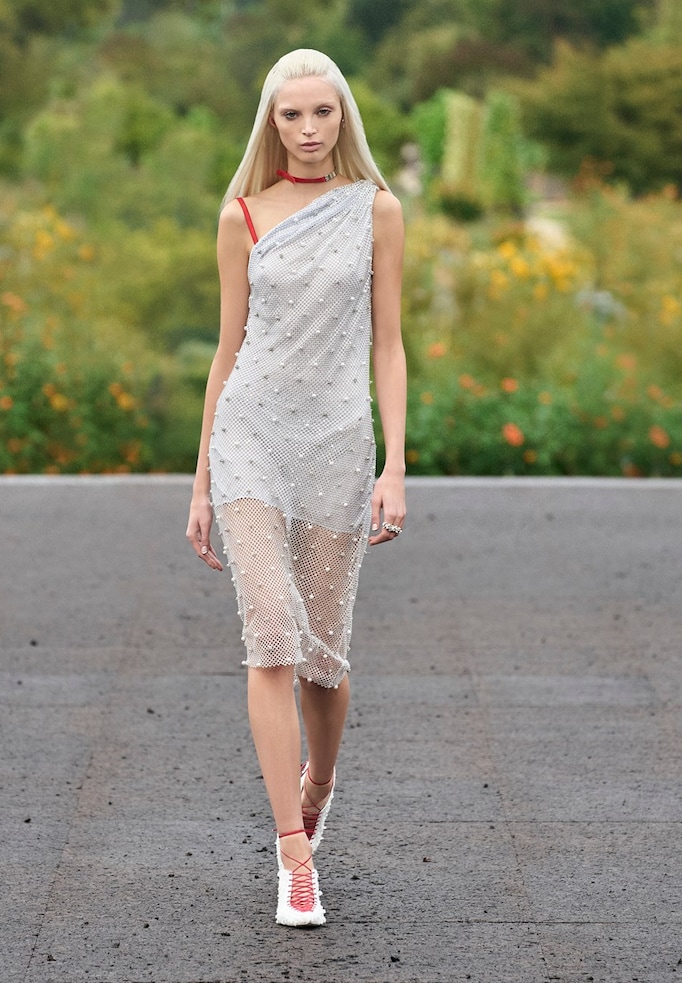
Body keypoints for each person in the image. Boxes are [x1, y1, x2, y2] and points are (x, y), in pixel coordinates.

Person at [186, 48, 406, 928]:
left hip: (338, 446)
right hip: (250, 437)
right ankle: (293, 853)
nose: (309, 129)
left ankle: (321, 779)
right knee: (271, 633)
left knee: (324, 660)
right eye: (291, 114)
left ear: (343, 116)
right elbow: (227, 347)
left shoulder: (376, 210)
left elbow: (388, 341)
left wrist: (396, 463)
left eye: (323, 112)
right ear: (270, 122)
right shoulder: (240, 215)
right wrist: (200, 483)